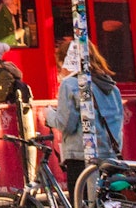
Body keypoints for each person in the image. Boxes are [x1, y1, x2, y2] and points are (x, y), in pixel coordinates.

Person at [46, 40, 125, 196]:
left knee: (82, 200)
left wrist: (48, 114)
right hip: (110, 155)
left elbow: (65, 124)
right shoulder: (111, 86)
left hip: (81, 156)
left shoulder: (70, 84)